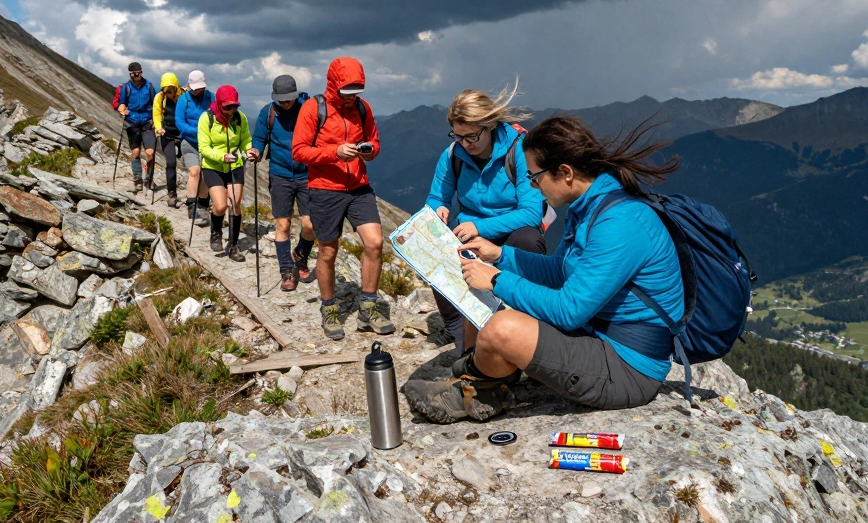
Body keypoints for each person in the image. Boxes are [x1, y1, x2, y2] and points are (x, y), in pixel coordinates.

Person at [404, 115, 684, 423]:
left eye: (536, 177)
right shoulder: (590, 207)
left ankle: (476, 389)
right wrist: (499, 255)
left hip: (628, 367)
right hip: (594, 336)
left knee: (501, 327)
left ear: (565, 172)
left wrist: (496, 280)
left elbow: (570, 310)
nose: (534, 187)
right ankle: (481, 373)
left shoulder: (620, 223)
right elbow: (559, 273)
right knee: (481, 304)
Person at [424, 84, 547, 354]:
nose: (465, 144)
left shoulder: (519, 151)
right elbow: (437, 197)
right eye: (458, 136)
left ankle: (530, 321)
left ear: (489, 125)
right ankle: (458, 330)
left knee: (528, 240)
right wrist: (439, 210)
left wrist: (480, 227)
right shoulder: (453, 154)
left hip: (511, 227)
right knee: (434, 253)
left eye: (471, 137)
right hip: (469, 229)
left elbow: (531, 212)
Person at [291, 57, 394, 340]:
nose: (352, 98)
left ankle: (368, 307)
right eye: (347, 92)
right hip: (325, 189)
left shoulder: (362, 107)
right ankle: (329, 308)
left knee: (374, 242)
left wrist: (367, 150)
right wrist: (335, 152)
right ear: (334, 85)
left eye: (356, 92)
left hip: (359, 186)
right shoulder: (314, 108)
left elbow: (374, 142)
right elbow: (299, 151)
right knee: (328, 251)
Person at [250, 75, 316, 292]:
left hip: (307, 174)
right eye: (282, 100)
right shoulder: (268, 112)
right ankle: (286, 270)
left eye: (289, 100)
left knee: (310, 225)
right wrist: (256, 151)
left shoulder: (308, 109)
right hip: (279, 174)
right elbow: (260, 138)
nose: (285, 104)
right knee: (283, 224)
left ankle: (301, 254)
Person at [197, 85, 254, 260]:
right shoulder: (206, 119)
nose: (232, 110)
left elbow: (245, 139)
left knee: (236, 203)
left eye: (235, 106)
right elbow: (203, 147)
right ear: (219, 103)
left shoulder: (240, 118)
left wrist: (249, 150)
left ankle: (234, 246)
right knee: (221, 206)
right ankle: (216, 232)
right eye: (227, 106)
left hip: (235, 164)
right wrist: (221, 156)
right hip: (213, 166)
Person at [175, 70, 215, 228]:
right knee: (194, 171)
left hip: (207, 143)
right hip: (189, 142)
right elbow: (180, 122)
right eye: (195, 88)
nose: (198, 91)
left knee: (206, 173)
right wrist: (198, 132)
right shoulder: (183, 99)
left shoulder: (212, 97)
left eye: (200, 88)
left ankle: (203, 204)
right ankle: (191, 203)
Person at [109, 62, 156, 193]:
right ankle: (138, 179)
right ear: (130, 74)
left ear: (141, 72)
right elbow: (122, 102)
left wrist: (155, 118)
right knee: (135, 151)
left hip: (147, 122)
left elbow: (155, 103)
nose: (136, 76)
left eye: (138, 73)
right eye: (133, 74)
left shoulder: (149, 86)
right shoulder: (126, 88)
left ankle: (148, 177)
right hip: (132, 122)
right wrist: (122, 109)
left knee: (150, 152)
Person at [152, 72, 185, 207]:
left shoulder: (184, 96)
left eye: (171, 89)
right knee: (171, 163)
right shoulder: (160, 98)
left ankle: (196, 197)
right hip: (168, 135)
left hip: (183, 136)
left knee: (193, 166)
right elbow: (156, 114)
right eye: (166, 89)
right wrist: (159, 128)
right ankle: (172, 194)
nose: (169, 92)